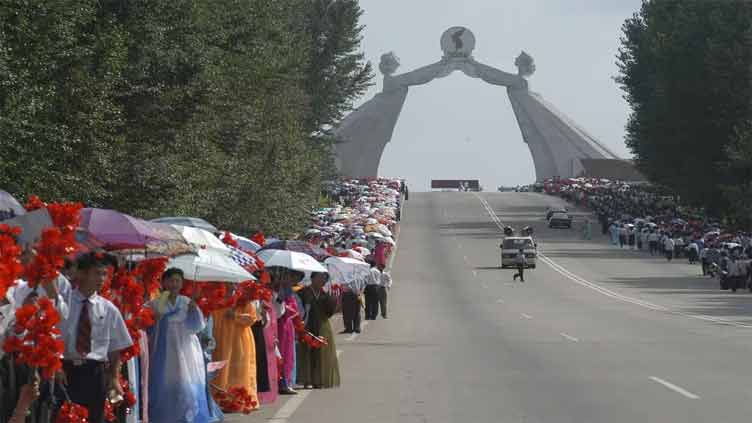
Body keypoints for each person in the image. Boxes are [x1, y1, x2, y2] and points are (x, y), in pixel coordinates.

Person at [59, 251, 133, 423]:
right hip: (66, 371)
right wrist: (56, 367)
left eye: (104, 274)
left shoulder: (108, 309)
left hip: (95, 373)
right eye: (97, 273)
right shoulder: (63, 303)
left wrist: (114, 377)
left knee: (94, 417)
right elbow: (53, 338)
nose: (101, 279)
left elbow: (115, 348)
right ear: (82, 273)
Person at [147, 268, 211, 423]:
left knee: (186, 380)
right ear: (163, 283)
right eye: (171, 280)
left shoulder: (187, 302)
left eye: (177, 280)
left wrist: (193, 311)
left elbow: (197, 327)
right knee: (168, 380)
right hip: (165, 349)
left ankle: (187, 415)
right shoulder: (155, 302)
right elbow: (147, 326)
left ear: (182, 283)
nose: (174, 284)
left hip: (185, 347)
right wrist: (156, 318)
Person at [211, 283, 261, 406]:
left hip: (239, 339)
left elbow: (252, 318)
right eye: (228, 282)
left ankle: (238, 400)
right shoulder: (215, 298)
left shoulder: (243, 300)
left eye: (233, 282)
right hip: (220, 337)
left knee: (238, 369)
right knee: (220, 368)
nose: (231, 285)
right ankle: (220, 399)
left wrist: (236, 316)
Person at [296, 272, 340, 389]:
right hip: (307, 325)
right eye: (320, 277)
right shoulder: (303, 292)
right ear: (312, 278)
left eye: (325, 279)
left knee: (321, 353)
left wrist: (334, 300)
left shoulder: (325, 295)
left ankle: (318, 379)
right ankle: (307, 380)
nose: (323, 281)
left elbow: (330, 312)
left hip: (322, 326)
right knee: (306, 352)